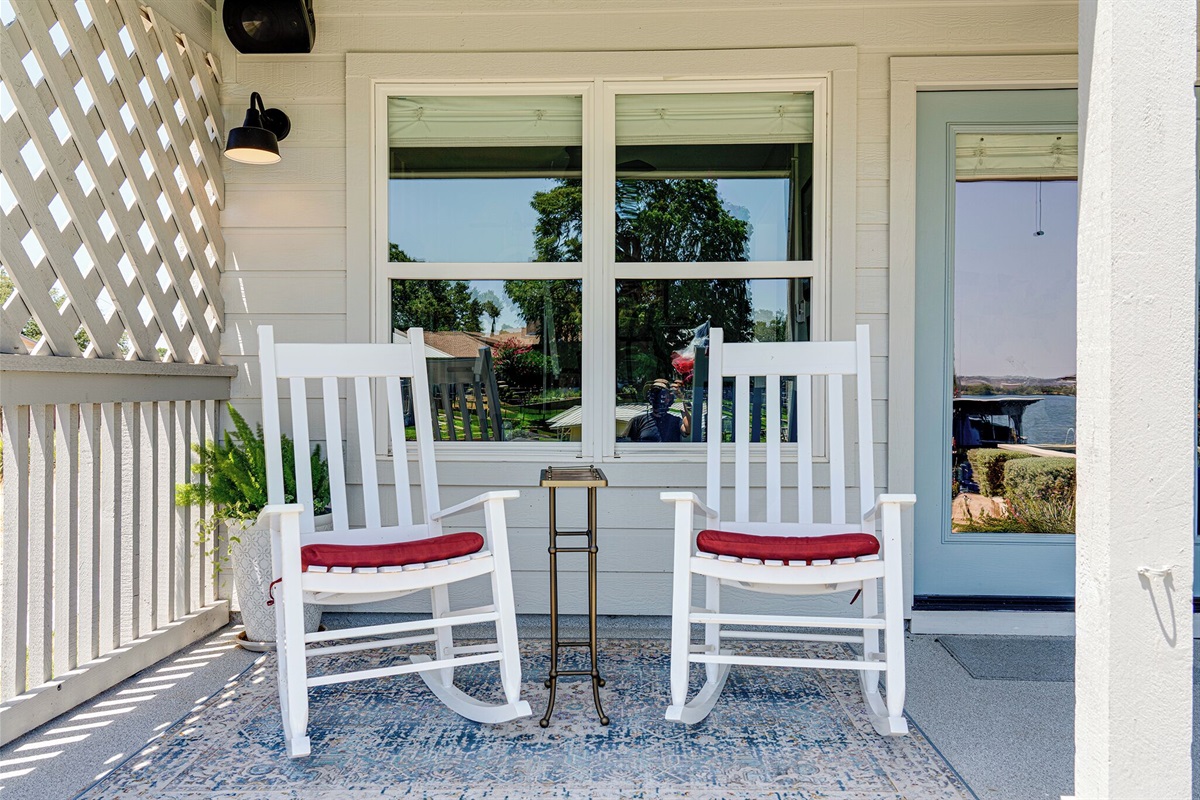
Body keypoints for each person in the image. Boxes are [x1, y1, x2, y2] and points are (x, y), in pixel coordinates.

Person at [623, 378, 691, 442]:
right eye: (655, 393)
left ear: (669, 398)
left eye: (662, 394)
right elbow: (627, 445)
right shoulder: (638, 420)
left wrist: (683, 399)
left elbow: (689, 429)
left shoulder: (676, 420)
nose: (658, 397)